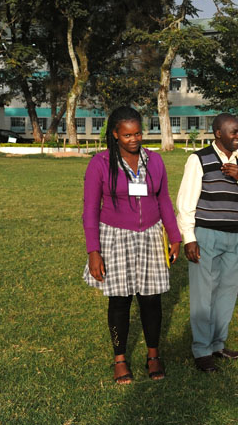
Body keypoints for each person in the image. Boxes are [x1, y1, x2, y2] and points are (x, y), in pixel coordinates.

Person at [82, 106, 181, 384]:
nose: (134, 139)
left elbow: (163, 200)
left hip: (150, 235)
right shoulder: (100, 163)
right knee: (120, 301)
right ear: (115, 134)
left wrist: (174, 237)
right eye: (127, 135)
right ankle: (120, 359)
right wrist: (93, 251)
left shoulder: (155, 160)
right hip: (115, 237)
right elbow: (90, 209)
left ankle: (153, 355)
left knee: (151, 299)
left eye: (138, 133)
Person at [176, 113, 238, 372]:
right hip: (206, 234)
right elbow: (185, 202)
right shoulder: (199, 159)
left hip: (234, 235)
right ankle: (202, 350)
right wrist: (189, 238)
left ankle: (217, 344)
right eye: (233, 131)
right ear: (218, 133)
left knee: (227, 291)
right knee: (203, 293)